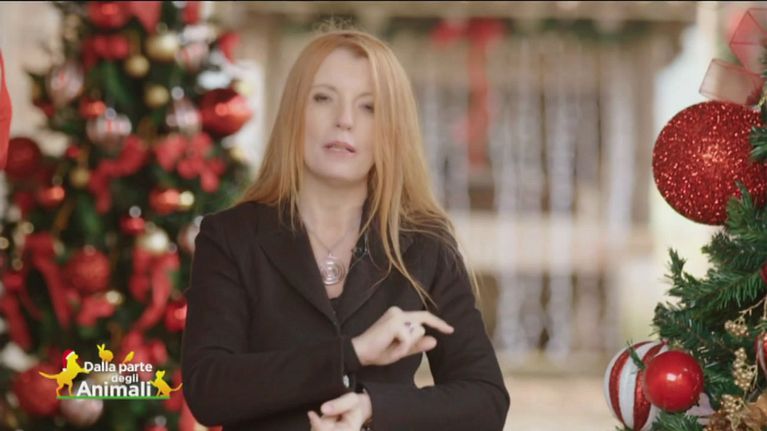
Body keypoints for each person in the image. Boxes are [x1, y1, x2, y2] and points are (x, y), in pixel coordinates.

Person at [181, 28, 509, 431]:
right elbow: (209, 389)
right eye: (323, 98)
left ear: (392, 129)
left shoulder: (426, 244)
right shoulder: (231, 236)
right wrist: (350, 354)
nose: (344, 120)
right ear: (294, 113)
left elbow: (485, 401)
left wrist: (373, 408)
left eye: (369, 107)